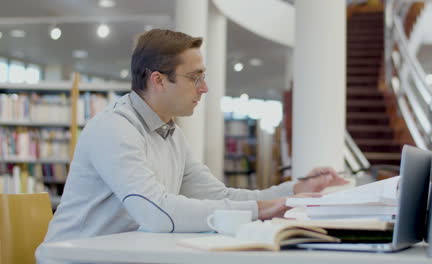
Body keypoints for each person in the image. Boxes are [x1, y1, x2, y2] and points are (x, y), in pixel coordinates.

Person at [37, 28, 347, 261]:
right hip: (73, 258)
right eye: (195, 78)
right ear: (158, 80)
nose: (205, 88)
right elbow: (157, 213)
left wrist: (295, 191)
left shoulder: (170, 133)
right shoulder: (114, 129)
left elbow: (220, 196)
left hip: (122, 254)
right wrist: (262, 210)